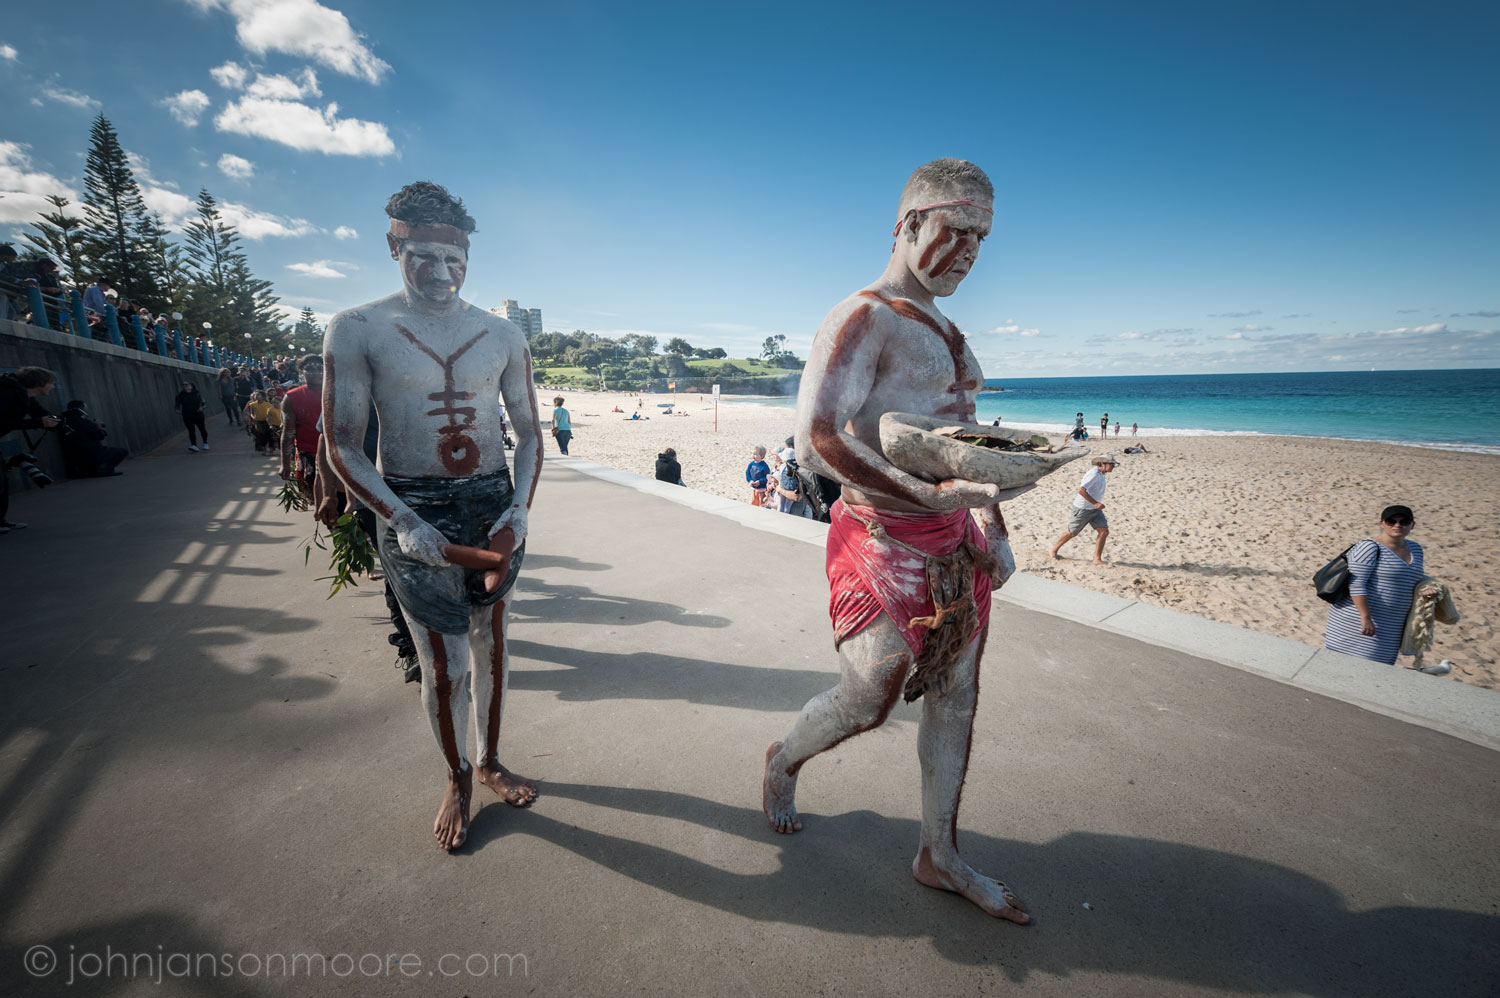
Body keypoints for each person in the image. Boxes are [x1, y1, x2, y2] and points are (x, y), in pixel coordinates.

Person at [763, 158, 1028, 923]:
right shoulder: (863, 316)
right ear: (909, 224)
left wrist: (993, 522)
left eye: (982, 238)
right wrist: (933, 497)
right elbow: (817, 440)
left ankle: (938, 854)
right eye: (959, 229)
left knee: (956, 694)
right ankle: (784, 759)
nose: (971, 251)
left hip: (956, 543)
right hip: (880, 535)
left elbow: (968, 446)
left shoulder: (951, 333)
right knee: (869, 693)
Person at [322, 180, 543, 851]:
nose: (442, 273)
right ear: (394, 247)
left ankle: (491, 760)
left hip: (491, 499)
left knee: (493, 646)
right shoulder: (358, 329)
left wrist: (518, 511)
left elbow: (530, 434)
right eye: (423, 257)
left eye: (455, 259)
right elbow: (342, 444)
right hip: (413, 502)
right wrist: (403, 520)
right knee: (445, 666)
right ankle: (457, 774)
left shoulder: (502, 333)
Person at [1325, 505, 1432, 669]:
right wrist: (1365, 617)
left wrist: (1427, 589)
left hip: (1393, 623)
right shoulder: (1369, 547)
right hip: (1359, 620)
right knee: (1352, 668)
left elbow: (1411, 580)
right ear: (1382, 523)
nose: (1397, 525)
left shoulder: (1416, 549)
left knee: (1380, 668)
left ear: (1412, 525)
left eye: (1404, 521)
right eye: (1391, 521)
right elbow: (1356, 583)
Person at [0, 366, 61, 533]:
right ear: (40, 383)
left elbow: (40, 413)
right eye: (51, 383)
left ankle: (1, 521)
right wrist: (38, 423)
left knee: (2, 481)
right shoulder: (7, 392)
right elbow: (3, 421)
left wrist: (60, 423)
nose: (53, 387)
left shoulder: (25, 395)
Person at [1049, 454, 1117, 564]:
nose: (1113, 466)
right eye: (1111, 464)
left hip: (1095, 510)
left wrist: (1095, 505)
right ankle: (1053, 550)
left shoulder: (1102, 474)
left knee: (1104, 532)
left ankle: (1097, 559)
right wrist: (1095, 503)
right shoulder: (1093, 474)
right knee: (1072, 533)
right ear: (1102, 464)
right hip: (1083, 509)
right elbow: (1081, 490)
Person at [280, 355, 324, 489]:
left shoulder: (338, 393)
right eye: (309, 369)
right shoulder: (292, 397)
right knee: (313, 494)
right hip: (308, 454)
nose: (316, 373)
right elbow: (288, 432)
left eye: (320, 369)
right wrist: (285, 464)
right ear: (301, 372)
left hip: (336, 453)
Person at [61, 399, 128, 475]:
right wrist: (99, 426)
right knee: (122, 451)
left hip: (74, 458)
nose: (87, 410)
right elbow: (100, 436)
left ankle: (94, 470)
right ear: (81, 409)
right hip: (91, 454)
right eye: (86, 408)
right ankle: (104, 470)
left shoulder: (65, 421)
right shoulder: (84, 421)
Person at [173, 382, 209, 452]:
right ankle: (194, 445)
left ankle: (205, 443)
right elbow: (177, 405)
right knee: (191, 430)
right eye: (183, 385)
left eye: (187, 385)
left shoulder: (197, 394)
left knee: (202, 429)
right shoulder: (180, 395)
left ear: (191, 386)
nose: (185, 386)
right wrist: (177, 410)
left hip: (198, 414)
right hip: (187, 415)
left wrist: (202, 408)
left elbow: (204, 404)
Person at [245, 390, 281, 455]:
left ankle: (271, 448)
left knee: (269, 435)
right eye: (256, 395)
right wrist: (253, 418)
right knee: (261, 436)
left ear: (263, 397)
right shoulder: (252, 404)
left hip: (267, 422)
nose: (256, 396)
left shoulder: (268, 404)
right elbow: (251, 413)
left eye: (258, 395)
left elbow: (271, 413)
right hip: (258, 422)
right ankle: (263, 449)